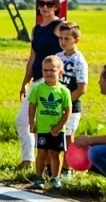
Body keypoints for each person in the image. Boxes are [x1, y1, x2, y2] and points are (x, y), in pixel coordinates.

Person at [17, 0, 65, 169]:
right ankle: (31, 160)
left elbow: (71, 43)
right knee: (27, 120)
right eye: (41, 3)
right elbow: (32, 58)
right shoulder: (36, 29)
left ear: (56, 6)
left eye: (49, 3)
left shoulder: (59, 26)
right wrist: (25, 83)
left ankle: (38, 162)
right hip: (37, 80)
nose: (45, 7)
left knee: (38, 121)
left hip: (51, 83)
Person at [27, 56, 72, 189]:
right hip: (42, 128)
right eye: (45, 70)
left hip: (57, 130)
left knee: (55, 153)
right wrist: (32, 122)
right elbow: (32, 106)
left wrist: (59, 127)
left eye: (52, 70)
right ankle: (39, 177)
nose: (48, 73)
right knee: (41, 152)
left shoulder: (64, 91)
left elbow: (67, 110)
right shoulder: (38, 88)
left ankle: (55, 177)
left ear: (60, 72)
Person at [57, 22, 88, 139]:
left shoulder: (80, 61)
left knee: (67, 139)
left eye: (67, 38)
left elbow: (81, 89)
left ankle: (68, 158)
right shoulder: (57, 56)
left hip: (72, 107)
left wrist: (65, 103)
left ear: (76, 40)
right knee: (54, 140)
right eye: (60, 38)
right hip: (54, 105)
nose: (63, 41)